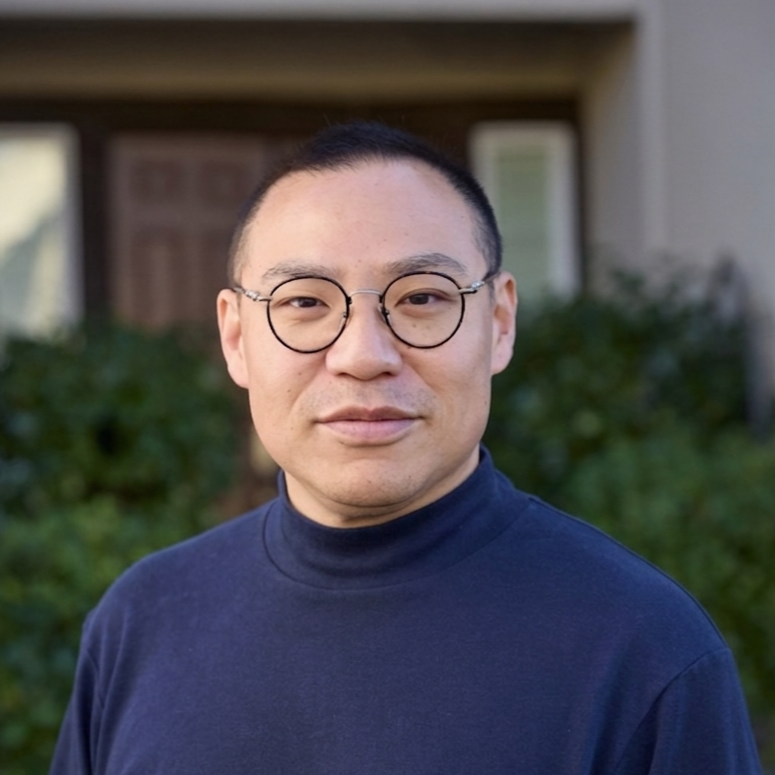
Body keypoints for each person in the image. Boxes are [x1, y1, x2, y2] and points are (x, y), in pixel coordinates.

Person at [50, 122, 761, 774]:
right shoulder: (143, 622)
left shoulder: (643, 651)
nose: (362, 354)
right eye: (305, 301)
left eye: (421, 297)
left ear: (500, 323)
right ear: (236, 337)